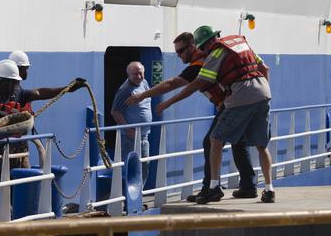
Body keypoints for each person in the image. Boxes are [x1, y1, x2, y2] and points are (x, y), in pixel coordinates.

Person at [128, 32, 259, 201]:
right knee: (238, 142)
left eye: (181, 51)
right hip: (236, 101)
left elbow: (173, 83)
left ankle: (211, 188)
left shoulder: (199, 65)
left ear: (192, 47)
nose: (178, 55)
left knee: (210, 142)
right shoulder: (204, 60)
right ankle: (248, 186)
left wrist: (144, 95)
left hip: (229, 104)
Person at [157, 25, 275, 204]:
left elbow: (199, 82)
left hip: (241, 95)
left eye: (202, 47)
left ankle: (213, 188)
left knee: (215, 140)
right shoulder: (239, 43)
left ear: (205, 44)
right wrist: (262, 92)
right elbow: (265, 68)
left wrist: (168, 102)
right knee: (261, 145)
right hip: (264, 92)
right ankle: (269, 189)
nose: (203, 51)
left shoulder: (216, 53)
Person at [0, 60, 72, 236]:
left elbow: (39, 93)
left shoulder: (14, 93)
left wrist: (67, 89)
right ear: (1, 82)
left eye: (16, 83)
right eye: (13, 83)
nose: (16, 86)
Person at [110, 61, 151, 159]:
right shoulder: (125, 90)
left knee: (144, 165)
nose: (139, 76)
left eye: (141, 73)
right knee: (131, 166)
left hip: (144, 136)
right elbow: (115, 112)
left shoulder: (144, 83)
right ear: (129, 75)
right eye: (135, 74)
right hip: (130, 139)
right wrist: (129, 130)